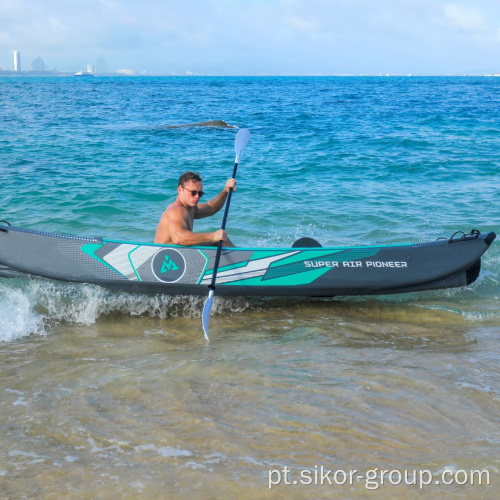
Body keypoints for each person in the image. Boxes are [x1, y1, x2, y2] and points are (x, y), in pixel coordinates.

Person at [154, 171, 236, 247]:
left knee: (221, 240)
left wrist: (225, 190)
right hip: (165, 258)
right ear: (180, 190)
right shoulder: (177, 210)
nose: (197, 196)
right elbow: (178, 238)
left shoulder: (190, 208)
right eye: (193, 193)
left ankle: (243, 259)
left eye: (200, 193)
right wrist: (213, 236)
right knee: (219, 240)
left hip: (178, 254)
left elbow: (211, 208)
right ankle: (244, 261)